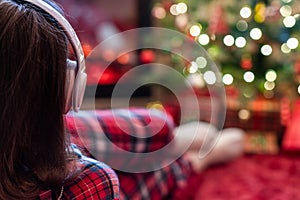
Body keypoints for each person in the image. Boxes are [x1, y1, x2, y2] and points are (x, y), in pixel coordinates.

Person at [0, 0, 119, 199]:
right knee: (171, 161)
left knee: (161, 129)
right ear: (68, 88)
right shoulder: (93, 182)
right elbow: (117, 44)